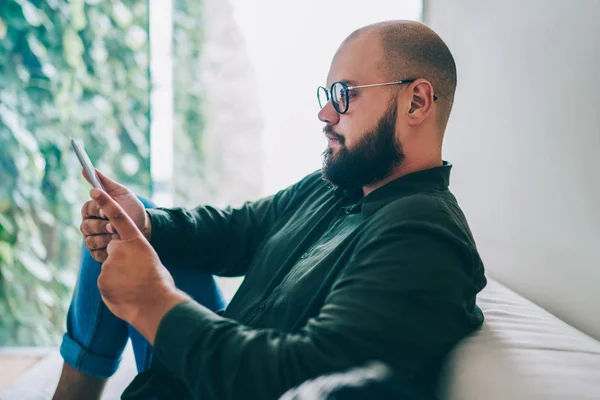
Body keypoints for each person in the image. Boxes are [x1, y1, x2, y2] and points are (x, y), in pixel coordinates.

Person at [52, 20, 487, 400]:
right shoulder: (337, 185)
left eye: (343, 94)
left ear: (416, 102)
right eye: (326, 93)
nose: (324, 112)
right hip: (200, 367)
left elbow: (300, 379)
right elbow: (237, 230)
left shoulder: (425, 236)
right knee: (130, 225)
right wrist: (148, 223)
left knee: (130, 243)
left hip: (223, 381)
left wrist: (150, 300)